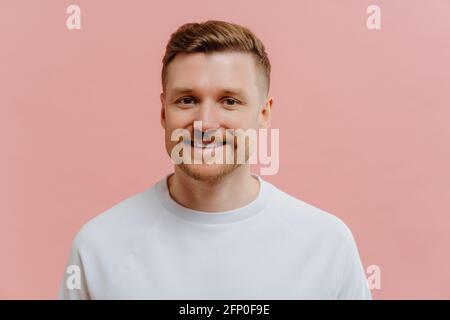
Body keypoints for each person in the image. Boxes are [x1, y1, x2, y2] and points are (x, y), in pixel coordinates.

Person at [59, 20, 371, 300]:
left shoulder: (327, 244)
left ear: (263, 115)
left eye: (229, 101)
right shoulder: (99, 246)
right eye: (187, 100)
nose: (205, 123)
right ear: (164, 112)